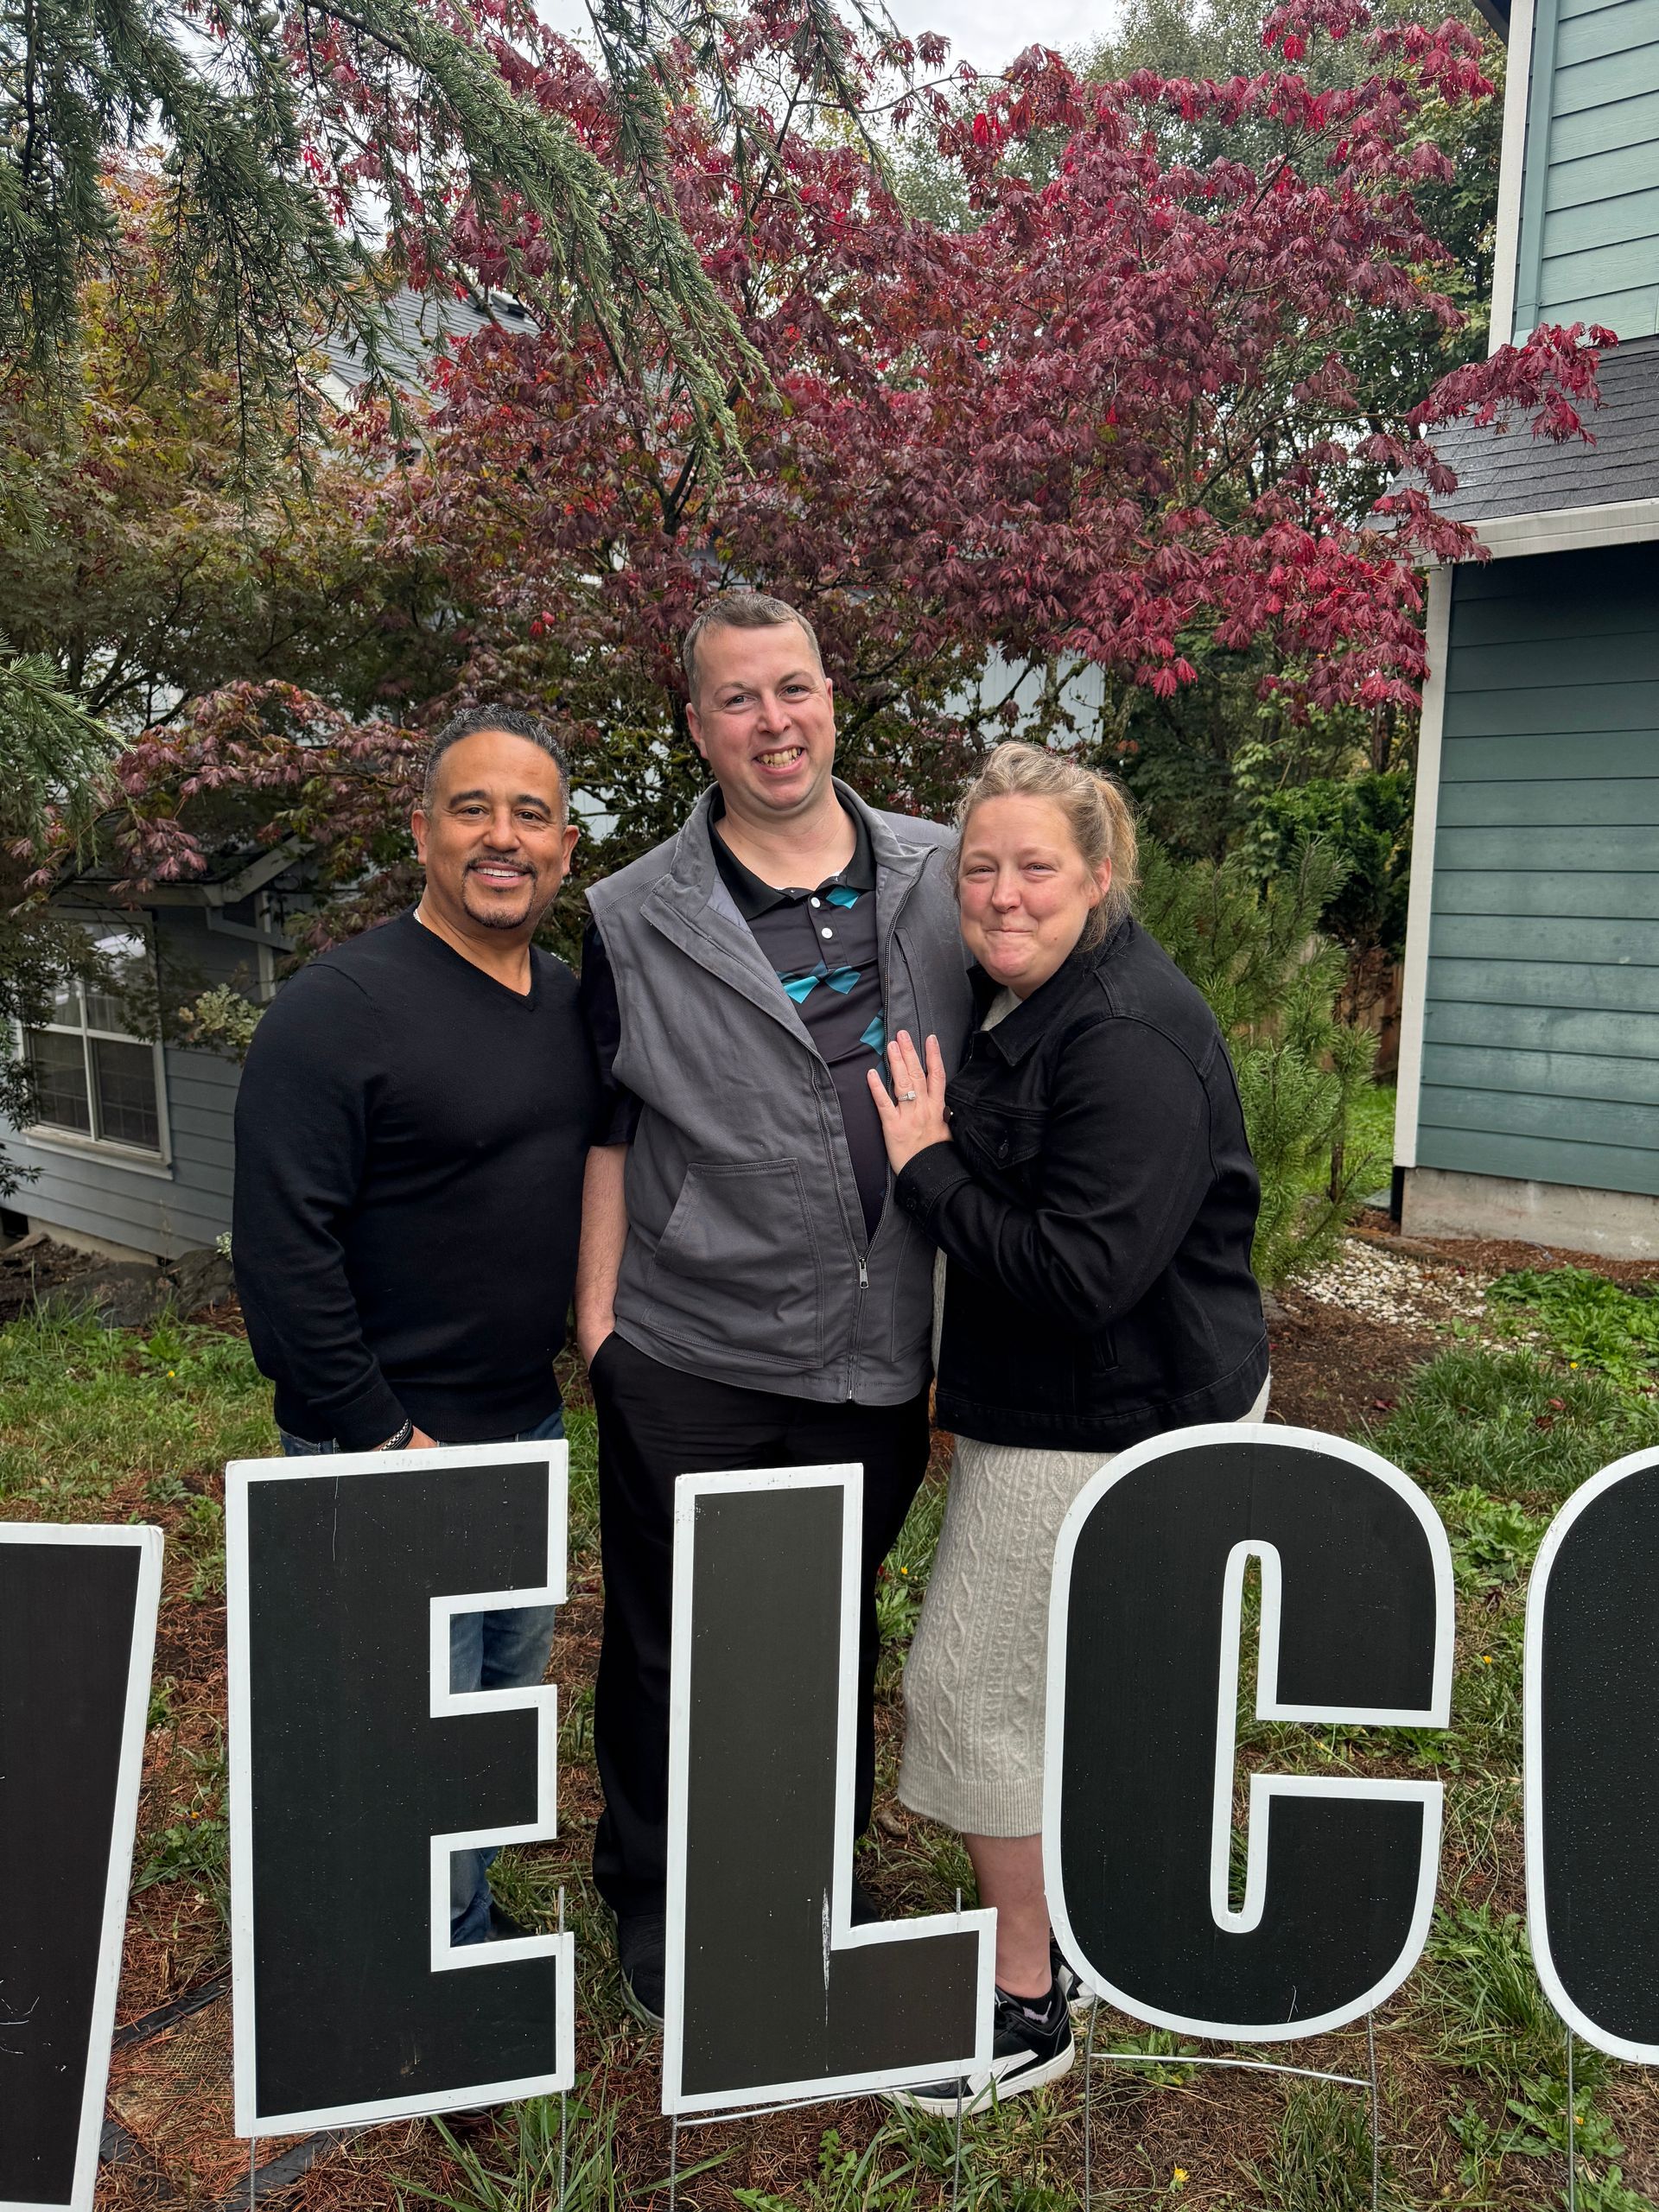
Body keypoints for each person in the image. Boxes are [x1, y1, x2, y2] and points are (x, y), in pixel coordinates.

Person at [575, 590, 971, 2022]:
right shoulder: (633, 914)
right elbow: (610, 1132)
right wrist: (603, 1330)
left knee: (829, 1628)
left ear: (831, 695)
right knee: (670, 1635)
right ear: (699, 728)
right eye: (737, 699)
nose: (772, 722)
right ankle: (657, 1895)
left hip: (879, 1352)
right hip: (693, 1349)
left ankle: (813, 1885)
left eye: (791, 688)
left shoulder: (941, 875)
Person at [867, 740, 1268, 2113]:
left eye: (1036, 866)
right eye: (980, 867)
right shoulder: (1019, 998)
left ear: (1100, 877)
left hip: (1113, 1410)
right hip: (1069, 1392)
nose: (1002, 892)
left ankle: (1025, 2001)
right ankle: (1079, 1936)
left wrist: (922, 1167)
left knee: (970, 1689)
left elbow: (1079, 1276)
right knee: (1056, 1690)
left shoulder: (1126, 1038)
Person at [232, 704, 597, 1948]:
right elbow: (285, 1261)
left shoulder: (566, 1004)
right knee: (392, 1723)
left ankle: (460, 1932)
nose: (505, 837)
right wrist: (387, 1446)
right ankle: (392, 1979)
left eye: (532, 814)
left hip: (522, 1429)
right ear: (422, 832)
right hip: (378, 1448)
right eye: (473, 809)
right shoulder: (338, 1010)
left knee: (491, 1706)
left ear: (566, 846)